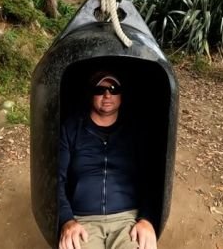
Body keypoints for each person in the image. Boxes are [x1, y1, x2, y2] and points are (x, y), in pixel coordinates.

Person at [58, 71, 157, 249]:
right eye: (100, 89)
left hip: (128, 220)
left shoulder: (135, 130)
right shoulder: (71, 128)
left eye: (113, 89)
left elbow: (150, 178)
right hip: (82, 221)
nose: (107, 95)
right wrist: (67, 220)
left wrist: (146, 219)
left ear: (121, 94)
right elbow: (56, 180)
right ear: (90, 93)